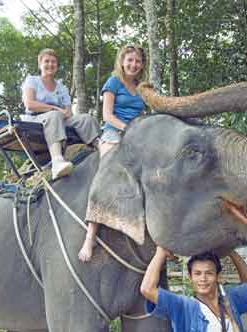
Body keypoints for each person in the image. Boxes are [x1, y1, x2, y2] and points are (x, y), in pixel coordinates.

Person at [78, 45, 147, 262]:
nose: (133, 65)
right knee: (106, 175)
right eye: (130, 60)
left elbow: (144, 114)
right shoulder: (113, 82)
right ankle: (90, 237)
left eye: (137, 61)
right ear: (122, 61)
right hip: (113, 134)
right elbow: (107, 115)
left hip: (136, 135)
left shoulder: (141, 87)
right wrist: (126, 129)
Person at [22, 48, 101, 180]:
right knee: (54, 115)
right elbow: (30, 104)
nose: (50, 65)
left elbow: (68, 111)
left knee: (86, 118)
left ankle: (101, 147)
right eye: (46, 61)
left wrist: (63, 112)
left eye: (53, 62)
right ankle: (57, 161)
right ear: (40, 64)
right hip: (35, 119)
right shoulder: (32, 81)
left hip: (59, 119)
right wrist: (54, 109)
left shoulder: (61, 87)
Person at [140, 248, 247, 332]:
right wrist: (160, 252)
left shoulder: (229, 298)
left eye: (209, 273)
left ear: (218, 276)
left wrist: (231, 252)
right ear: (190, 277)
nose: (203, 279)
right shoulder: (183, 306)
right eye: (197, 273)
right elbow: (147, 289)